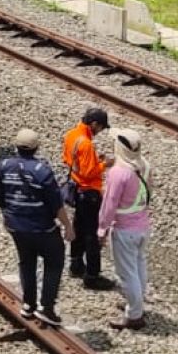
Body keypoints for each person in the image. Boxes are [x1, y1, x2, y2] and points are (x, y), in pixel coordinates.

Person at [0, 128, 75, 327]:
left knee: (26, 262)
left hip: (16, 226)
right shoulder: (42, 171)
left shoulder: (3, 166)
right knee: (54, 261)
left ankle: (28, 304)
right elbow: (56, 205)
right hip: (42, 228)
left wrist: (7, 215)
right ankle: (46, 306)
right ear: (36, 148)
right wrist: (68, 227)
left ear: (16, 146)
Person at [98, 128, 153, 330]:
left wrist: (101, 229)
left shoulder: (118, 172)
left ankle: (135, 315)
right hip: (142, 224)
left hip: (125, 228)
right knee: (139, 266)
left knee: (126, 273)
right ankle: (136, 303)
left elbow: (109, 205)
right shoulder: (145, 165)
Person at [61, 107, 116, 290]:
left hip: (77, 189)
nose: (100, 131)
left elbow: (68, 160)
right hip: (89, 193)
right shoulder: (86, 143)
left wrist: (93, 160)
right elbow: (88, 172)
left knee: (78, 226)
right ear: (94, 124)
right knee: (92, 234)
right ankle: (92, 276)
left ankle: (75, 265)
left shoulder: (71, 135)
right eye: (100, 127)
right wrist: (104, 164)